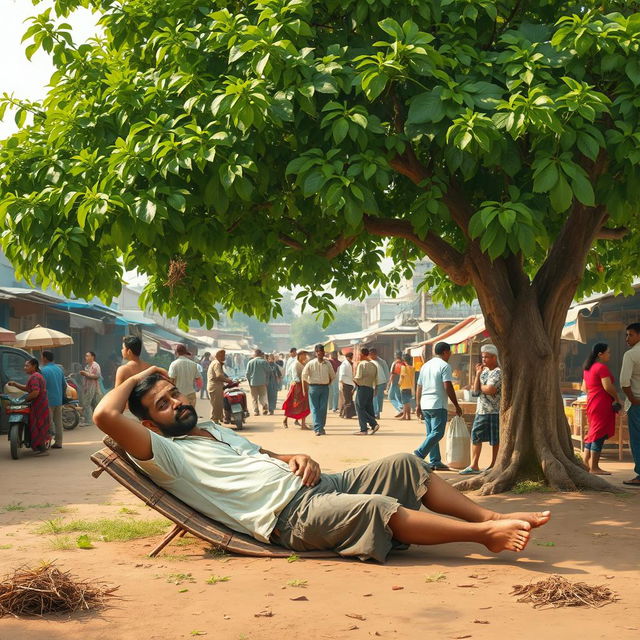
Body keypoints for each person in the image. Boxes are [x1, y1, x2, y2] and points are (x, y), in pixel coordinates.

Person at [92, 368, 551, 562]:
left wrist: (294, 455)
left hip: (314, 483)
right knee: (374, 506)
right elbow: (104, 416)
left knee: (404, 464)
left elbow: (262, 457)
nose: (176, 404)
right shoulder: (162, 454)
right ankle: (484, 535)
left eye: (174, 394)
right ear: (148, 421)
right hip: (287, 516)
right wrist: (137, 376)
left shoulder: (210, 428)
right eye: (163, 404)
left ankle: (491, 515)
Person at [414, 342, 463, 471]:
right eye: (450, 352)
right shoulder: (445, 366)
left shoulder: (425, 366)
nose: (450, 355)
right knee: (437, 433)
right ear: (445, 352)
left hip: (426, 403)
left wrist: (418, 405)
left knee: (431, 433)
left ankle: (435, 461)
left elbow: (419, 386)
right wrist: (456, 405)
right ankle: (419, 453)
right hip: (438, 404)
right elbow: (448, 385)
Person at [460, 345, 502, 475]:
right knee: (476, 436)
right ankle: (474, 465)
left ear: (494, 358)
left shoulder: (498, 372)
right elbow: (474, 391)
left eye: (486, 357)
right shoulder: (483, 371)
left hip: (494, 411)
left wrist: (479, 387)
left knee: (495, 439)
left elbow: (490, 390)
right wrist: (477, 375)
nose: (483, 360)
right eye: (483, 357)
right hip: (481, 410)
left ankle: (494, 464)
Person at [580, 343, 620, 476]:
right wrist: (617, 398)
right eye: (608, 352)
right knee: (599, 434)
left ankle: (586, 463)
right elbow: (608, 387)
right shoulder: (601, 367)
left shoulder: (587, 368)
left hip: (592, 402)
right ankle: (595, 467)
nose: (610, 355)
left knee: (593, 432)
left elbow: (584, 388)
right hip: (601, 403)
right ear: (600, 354)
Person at [8, 358, 51, 455]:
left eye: (27, 366)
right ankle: (40, 448)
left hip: (39, 405)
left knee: (38, 426)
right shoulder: (36, 376)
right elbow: (27, 389)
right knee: (39, 425)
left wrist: (25, 399)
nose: (25, 368)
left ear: (34, 366)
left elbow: (35, 392)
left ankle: (42, 449)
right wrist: (15, 384)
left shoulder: (35, 377)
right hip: (40, 404)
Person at [620, 323, 640, 486]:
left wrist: (632, 399)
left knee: (637, 439)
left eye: (630, 335)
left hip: (637, 403)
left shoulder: (631, 354)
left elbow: (624, 382)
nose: (627, 338)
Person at [301, 344, 335, 436]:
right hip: (313, 388)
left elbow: (332, 376)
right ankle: (317, 428)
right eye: (319, 353)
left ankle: (321, 427)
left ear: (324, 353)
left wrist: (327, 383)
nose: (320, 354)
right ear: (316, 353)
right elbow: (304, 377)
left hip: (324, 388)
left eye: (322, 352)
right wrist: (305, 390)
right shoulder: (311, 363)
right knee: (315, 409)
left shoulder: (328, 364)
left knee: (323, 408)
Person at [40, 351, 66, 449]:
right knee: (58, 422)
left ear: (45, 358)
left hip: (48, 400)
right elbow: (64, 385)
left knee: (48, 422)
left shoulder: (43, 370)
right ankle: (59, 442)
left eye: (41, 357)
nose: (41, 359)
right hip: (58, 400)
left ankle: (47, 441)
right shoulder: (59, 369)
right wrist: (62, 396)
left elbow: (41, 386)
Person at [353, 348, 379, 435]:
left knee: (359, 408)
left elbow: (358, 378)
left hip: (362, 388)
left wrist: (353, 381)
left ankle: (365, 428)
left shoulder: (361, 364)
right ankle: (372, 425)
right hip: (370, 388)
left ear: (363, 355)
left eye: (359, 354)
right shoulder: (373, 365)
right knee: (368, 408)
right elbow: (376, 379)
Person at [282, 350, 310, 429]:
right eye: (304, 355)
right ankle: (285, 419)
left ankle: (303, 424)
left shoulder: (304, 363)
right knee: (293, 404)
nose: (305, 357)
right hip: (297, 387)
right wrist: (301, 382)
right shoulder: (295, 364)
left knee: (304, 405)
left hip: (304, 386)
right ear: (300, 355)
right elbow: (295, 377)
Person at [208, 350, 232, 422]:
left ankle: (218, 418)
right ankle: (215, 421)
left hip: (216, 386)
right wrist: (228, 381)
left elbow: (222, 374)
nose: (224, 357)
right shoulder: (217, 363)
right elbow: (219, 376)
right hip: (215, 386)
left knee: (217, 404)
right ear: (218, 356)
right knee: (216, 405)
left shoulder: (216, 363)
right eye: (222, 355)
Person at [80, 351, 103, 426]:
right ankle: (95, 419)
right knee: (93, 403)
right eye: (86, 356)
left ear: (92, 357)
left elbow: (97, 376)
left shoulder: (95, 365)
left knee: (87, 403)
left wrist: (85, 374)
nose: (85, 357)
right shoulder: (87, 366)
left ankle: (89, 421)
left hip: (92, 387)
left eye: (87, 356)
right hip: (87, 387)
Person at [245, 349, 271, 416]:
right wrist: (267, 380)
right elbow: (269, 371)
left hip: (253, 383)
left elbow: (247, 374)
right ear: (260, 354)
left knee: (254, 398)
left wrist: (249, 382)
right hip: (263, 382)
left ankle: (256, 411)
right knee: (262, 396)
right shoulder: (264, 362)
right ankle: (265, 407)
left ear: (255, 354)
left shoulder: (250, 362)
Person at [369, 348, 390, 419]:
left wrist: (387, 383)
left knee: (379, 398)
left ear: (376, 354)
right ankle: (375, 412)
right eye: (370, 354)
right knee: (374, 398)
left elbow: (386, 372)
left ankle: (377, 412)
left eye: (373, 354)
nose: (372, 356)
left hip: (381, 382)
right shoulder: (369, 361)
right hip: (372, 382)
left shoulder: (382, 362)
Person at [338, 351, 356, 419]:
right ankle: (346, 414)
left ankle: (343, 413)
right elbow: (342, 375)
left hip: (350, 383)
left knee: (348, 399)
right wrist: (342, 383)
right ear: (348, 357)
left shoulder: (349, 363)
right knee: (347, 400)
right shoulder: (344, 364)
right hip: (345, 383)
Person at [387, 352, 405, 417]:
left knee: (390, 397)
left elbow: (392, 374)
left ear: (395, 356)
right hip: (402, 382)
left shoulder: (394, 363)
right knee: (398, 396)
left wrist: (388, 384)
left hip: (394, 382)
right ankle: (401, 407)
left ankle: (400, 408)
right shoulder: (403, 363)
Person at [399, 354, 415, 421]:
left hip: (404, 386)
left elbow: (402, 376)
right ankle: (407, 415)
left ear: (404, 360)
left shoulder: (403, 367)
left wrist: (399, 383)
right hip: (410, 386)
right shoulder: (412, 368)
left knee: (405, 402)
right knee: (407, 402)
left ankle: (405, 415)